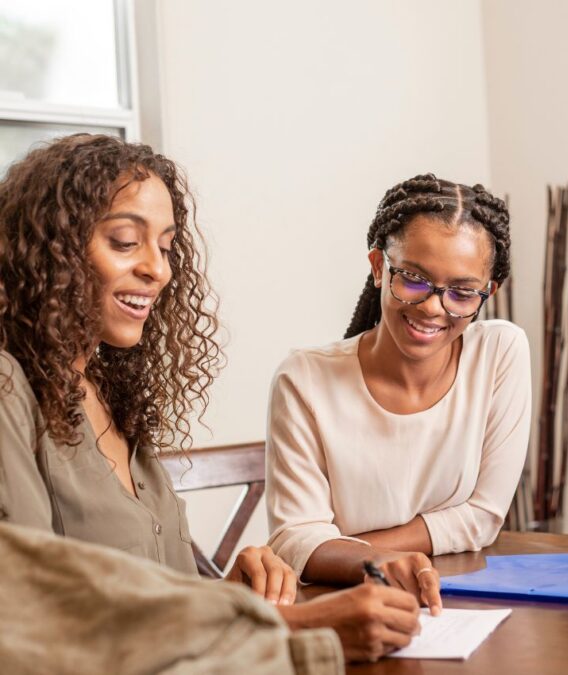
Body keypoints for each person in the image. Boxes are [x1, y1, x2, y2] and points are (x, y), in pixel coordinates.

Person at [0, 134, 419, 662]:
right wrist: (295, 627)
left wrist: (227, 595)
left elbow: (151, 598)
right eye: (126, 242)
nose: (159, 269)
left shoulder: (108, 395)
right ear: (49, 251)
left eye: (167, 246)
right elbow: (28, 619)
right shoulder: (9, 390)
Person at [266, 173, 532, 615]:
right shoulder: (305, 379)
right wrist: (374, 560)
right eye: (413, 279)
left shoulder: (500, 352)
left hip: (456, 606)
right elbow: (295, 539)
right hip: (344, 606)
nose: (432, 307)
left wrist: (341, 549)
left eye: (462, 293)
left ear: (488, 294)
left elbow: (484, 517)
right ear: (378, 267)